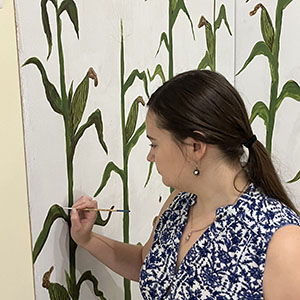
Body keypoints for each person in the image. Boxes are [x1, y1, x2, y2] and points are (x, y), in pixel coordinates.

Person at [70, 70, 300, 299]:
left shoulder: (281, 240)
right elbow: (146, 264)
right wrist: (88, 239)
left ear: (195, 147)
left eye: (154, 144)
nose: (150, 157)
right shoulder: (180, 202)